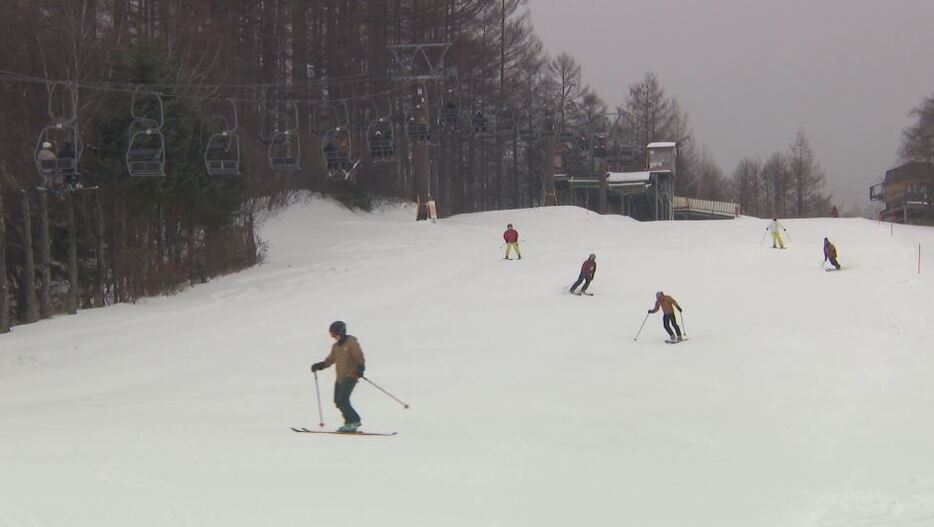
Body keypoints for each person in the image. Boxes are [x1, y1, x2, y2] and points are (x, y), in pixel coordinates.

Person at [311, 321, 366, 433]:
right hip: (340, 377)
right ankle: (349, 423)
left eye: (334, 334)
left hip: (351, 375)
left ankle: (354, 421)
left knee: (343, 399)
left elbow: (359, 356)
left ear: (341, 332)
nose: (333, 337)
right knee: (338, 401)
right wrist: (319, 366)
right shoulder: (336, 346)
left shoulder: (351, 343)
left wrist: (360, 368)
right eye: (331, 334)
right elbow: (330, 360)